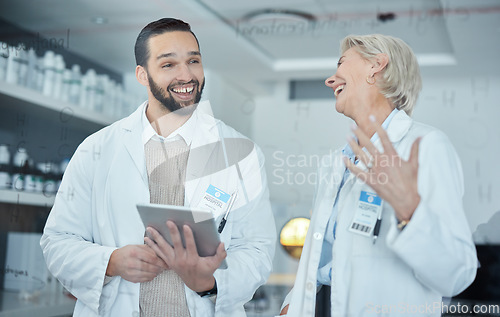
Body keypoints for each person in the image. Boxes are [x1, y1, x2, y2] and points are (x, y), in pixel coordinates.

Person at [41, 18, 276, 317]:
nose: (186, 75)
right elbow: (57, 241)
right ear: (142, 74)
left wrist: (208, 281)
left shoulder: (241, 153)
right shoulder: (96, 149)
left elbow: (257, 249)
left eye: (194, 60)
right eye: (168, 65)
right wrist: (112, 262)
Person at [280, 34, 478, 316]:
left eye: (341, 63)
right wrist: (293, 302)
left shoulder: (425, 146)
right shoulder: (334, 165)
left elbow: (457, 275)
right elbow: (321, 260)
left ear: (376, 65)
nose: (330, 80)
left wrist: (410, 213)